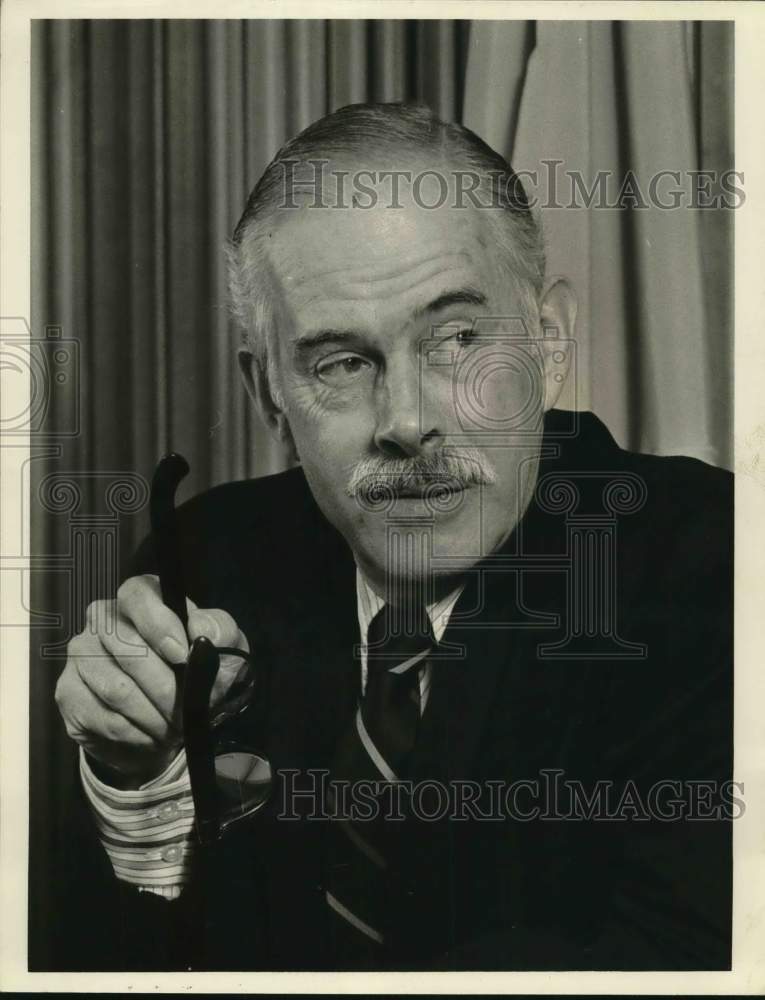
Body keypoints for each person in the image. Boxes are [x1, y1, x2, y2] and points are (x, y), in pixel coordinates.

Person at [52, 103, 733, 972]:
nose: (407, 422)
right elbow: (105, 959)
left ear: (550, 344)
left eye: (457, 338)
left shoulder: (710, 564)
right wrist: (135, 774)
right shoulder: (209, 558)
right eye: (342, 362)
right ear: (270, 399)